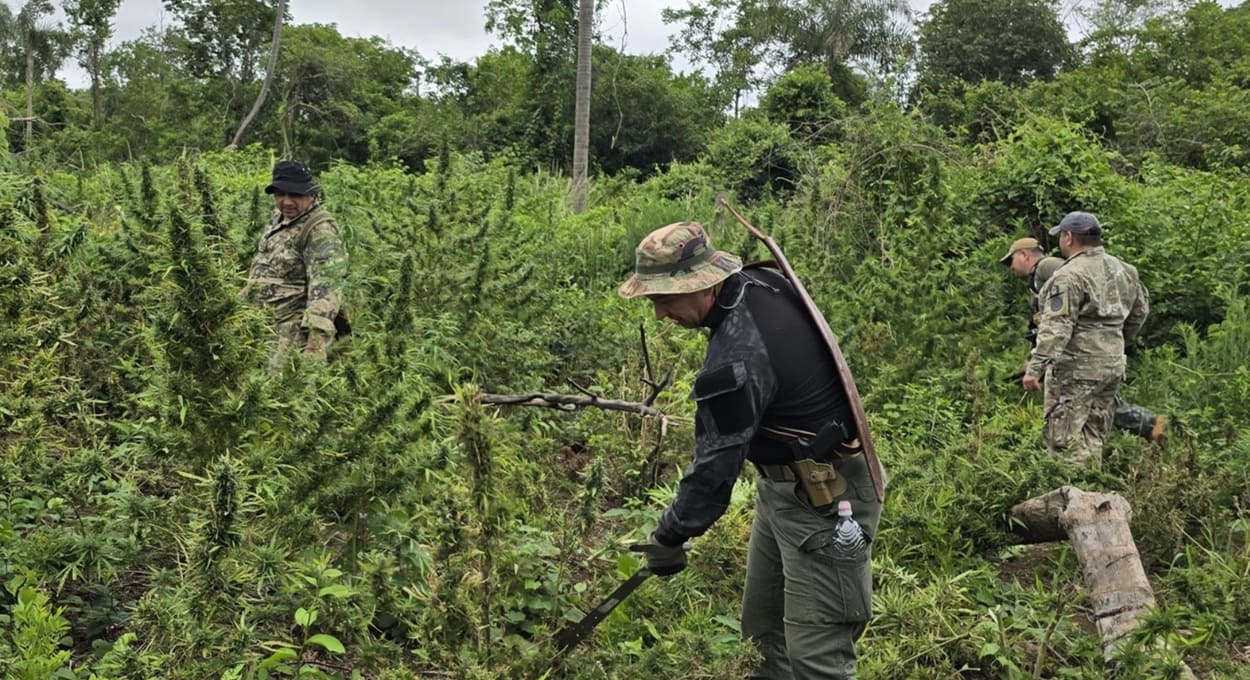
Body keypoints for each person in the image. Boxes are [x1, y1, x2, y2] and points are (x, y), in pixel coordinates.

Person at [619, 221, 881, 679]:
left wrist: (671, 535)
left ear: (702, 285)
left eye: (664, 299)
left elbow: (715, 470)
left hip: (825, 506)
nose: (659, 314)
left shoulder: (736, 360)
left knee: (818, 658)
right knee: (763, 640)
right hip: (786, 489)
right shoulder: (763, 282)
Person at [1001, 237, 1166, 443]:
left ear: (1024, 255)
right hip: (1084, 351)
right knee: (1101, 409)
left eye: (1011, 260)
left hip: (1082, 354)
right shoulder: (1039, 278)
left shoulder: (1047, 267)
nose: (1011, 267)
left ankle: (1156, 426)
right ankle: (1154, 427)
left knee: (1100, 409)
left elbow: (1064, 312)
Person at [1020, 212, 1150, 465]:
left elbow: (1057, 327)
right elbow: (1139, 312)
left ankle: (1073, 497)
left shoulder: (1068, 276)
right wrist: (1115, 340)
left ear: (1068, 237)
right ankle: (1094, 494)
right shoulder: (1125, 270)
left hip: (1076, 368)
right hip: (1112, 364)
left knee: (1064, 440)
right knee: (1094, 434)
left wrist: (1035, 369)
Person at [241, 160, 347, 366]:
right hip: (260, 326)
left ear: (311, 194)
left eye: (295, 195)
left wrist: (315, 346)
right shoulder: (278, 218)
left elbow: (326, 290)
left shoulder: (320, 230)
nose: (286, 202)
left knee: (284, 393)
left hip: (291, 333)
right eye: (280, 195)